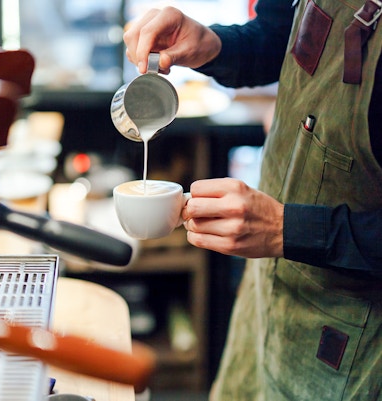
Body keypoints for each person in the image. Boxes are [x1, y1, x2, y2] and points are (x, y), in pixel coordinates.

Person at [124, 1, 382, 400]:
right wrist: (214, 44)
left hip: (359, 335)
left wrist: (288, 229)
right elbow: (280, 35)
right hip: (270, 285)